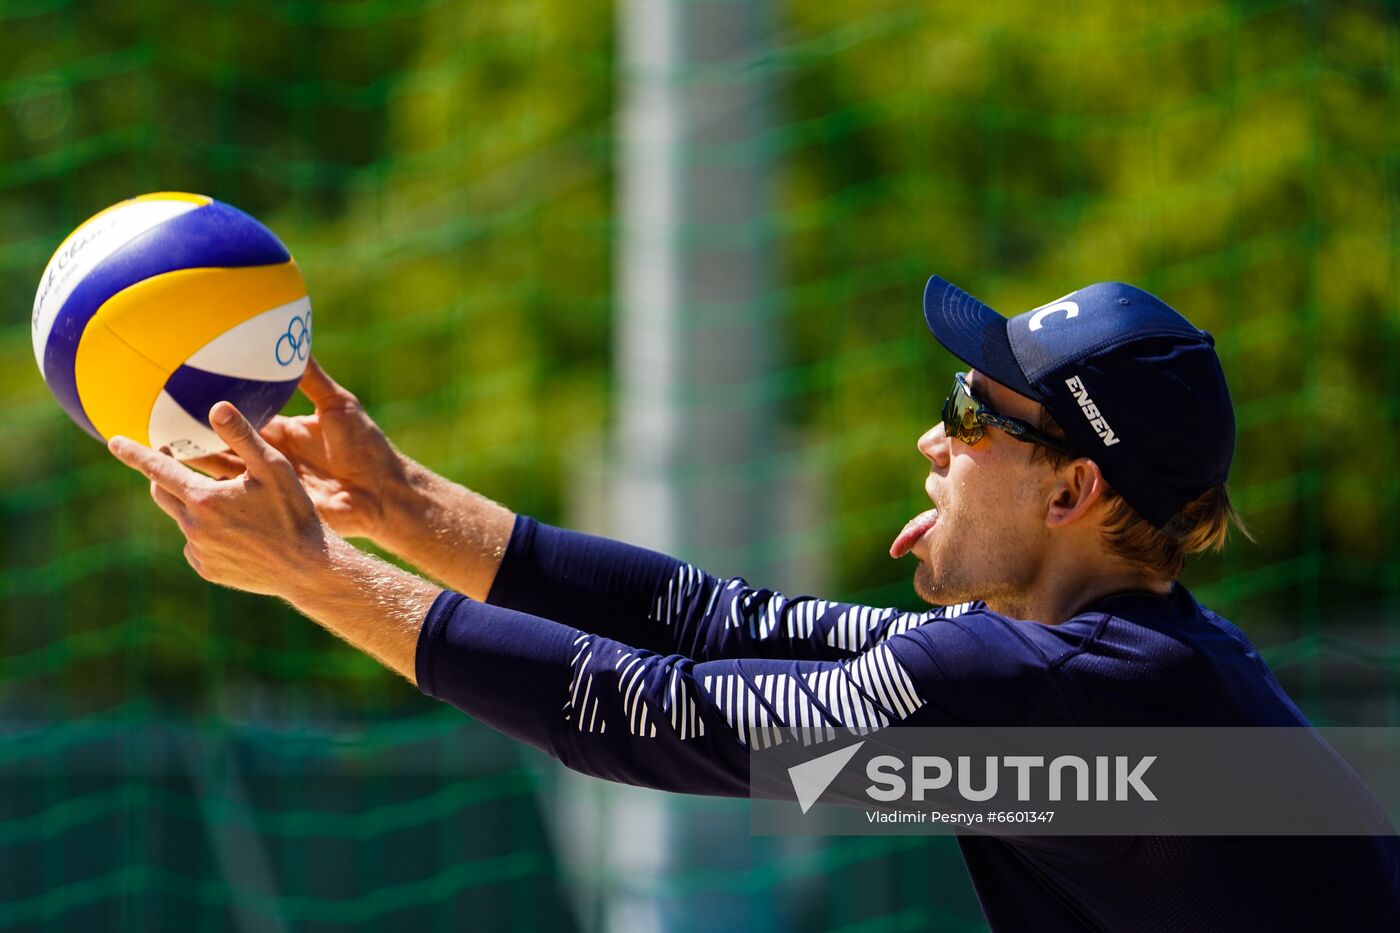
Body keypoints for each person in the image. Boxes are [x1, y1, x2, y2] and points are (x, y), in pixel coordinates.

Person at [110, 276, 1400, 930]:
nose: (930, 441)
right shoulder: (1090, 670)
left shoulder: (1061, 705)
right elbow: (718, 626)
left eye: (971, 416)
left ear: (1070, 492)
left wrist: (311, 575)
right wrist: (396, 502)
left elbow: (661, 719)